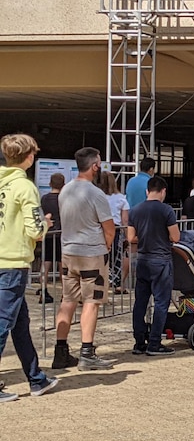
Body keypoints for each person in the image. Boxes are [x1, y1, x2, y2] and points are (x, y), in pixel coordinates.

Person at [0, 133, 59, 402]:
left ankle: (36, 378)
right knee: (3, 323)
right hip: (13, 261)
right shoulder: (25, 188)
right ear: (29, 157)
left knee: (19, 323)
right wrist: (46, 223)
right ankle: (35, 378)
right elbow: (35, 230)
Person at [53, 147, 115, 371]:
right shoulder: (95, 193)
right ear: (95, 166)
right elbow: (109, 228)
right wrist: (106, 247)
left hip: (68, 252)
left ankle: (60, 351)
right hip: (91, 253)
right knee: (91, 301)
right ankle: (87, 352)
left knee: (67, 300)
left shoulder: (65, 190)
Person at [128, 176, 180, 356]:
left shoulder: (134, 210)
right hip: (161, 260)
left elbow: (130, 238)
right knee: (160, 302)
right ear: (163, 191)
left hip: (142, 259)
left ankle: (139, 341)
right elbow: (176, 237)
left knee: (140, 302)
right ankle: (155, 342)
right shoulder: (166, 210)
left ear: (147, 191)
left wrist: (145, 237)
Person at [99, 172, 130, 294]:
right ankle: (117, 283)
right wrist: (127, 236)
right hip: (115, 229)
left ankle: (102, 286)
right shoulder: (121, 198)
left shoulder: (98, 197)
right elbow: (125, 220)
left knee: (101, 258)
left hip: (99, 229)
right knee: (116, 258)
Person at [39, 172, 65, 304]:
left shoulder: (44, 198)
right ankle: (64, 293)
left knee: (46, 263)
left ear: (50, 184)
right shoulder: (63, 199)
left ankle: (43, 290)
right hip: (61, 234)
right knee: (62, 264)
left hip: (48, 233)